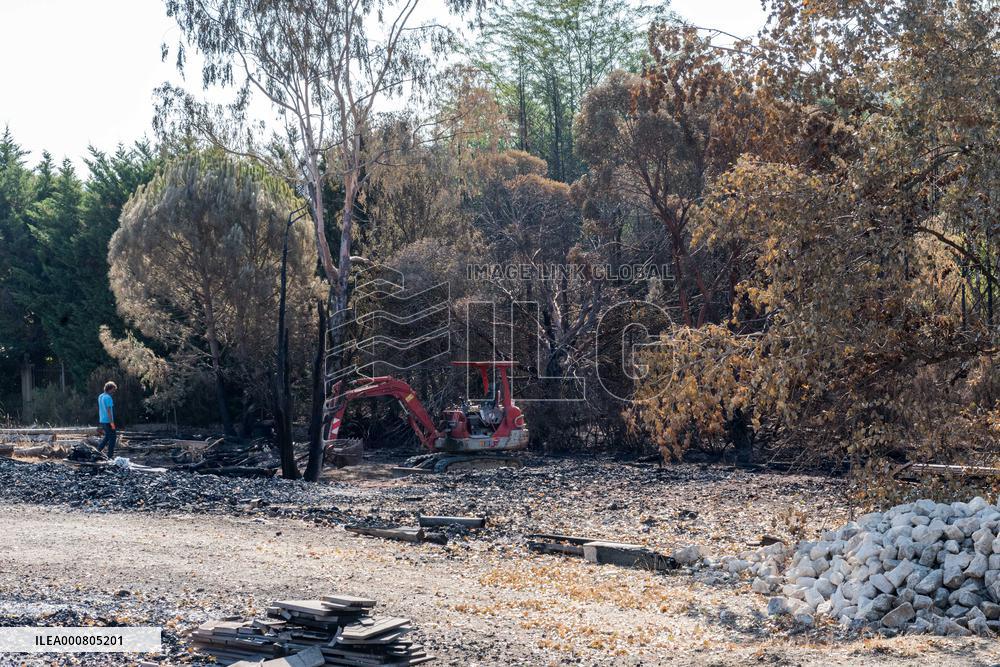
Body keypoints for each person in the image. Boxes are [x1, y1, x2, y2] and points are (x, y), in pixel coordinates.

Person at [97, 381, 117, 458]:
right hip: (108, 421)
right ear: (110, 389)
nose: (114, 391)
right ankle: (110, 456)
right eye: (113, 389)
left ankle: (98, 450)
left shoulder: (100, 396)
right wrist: (112, 423)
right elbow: (109, 411)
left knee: (107, 436)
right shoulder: (108, 397)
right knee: (113, 438)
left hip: (102, 420)